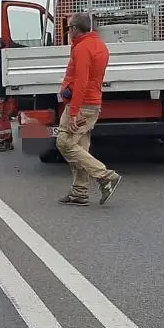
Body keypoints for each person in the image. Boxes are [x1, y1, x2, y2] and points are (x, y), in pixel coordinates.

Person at [55, 14, 121, 205]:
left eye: (69, 28)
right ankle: (79, 192)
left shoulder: (82, 48)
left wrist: (74, 112)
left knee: (64, 143)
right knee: (81, 147)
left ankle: (105, 176)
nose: (68, 32)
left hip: (82, 104)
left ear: (75, 29)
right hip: (92, 103)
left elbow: (81, 81)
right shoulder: (99, 45)